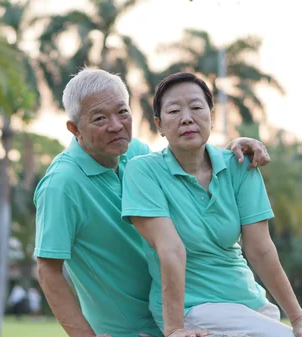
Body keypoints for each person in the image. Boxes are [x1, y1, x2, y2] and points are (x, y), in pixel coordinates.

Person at [33, 68, 272, 337]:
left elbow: (186, 163)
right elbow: (48, 270)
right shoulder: (61, 184)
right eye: (99, 118)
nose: (116, 125)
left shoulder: (135, 153)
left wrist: (232, 151)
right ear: (75, 128)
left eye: (122, 112)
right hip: (128, 330)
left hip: (179, 317)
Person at [121, 72, 302, 337]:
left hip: (250, 304)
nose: (187, 118)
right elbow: (171, 250)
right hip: (192, 310)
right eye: (174, 111)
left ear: (212, 115)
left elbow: (260, 248)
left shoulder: (241, 165)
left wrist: (299, 319)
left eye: (196, 107)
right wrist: (174, 329)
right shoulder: (144, 172)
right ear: (159, 125)